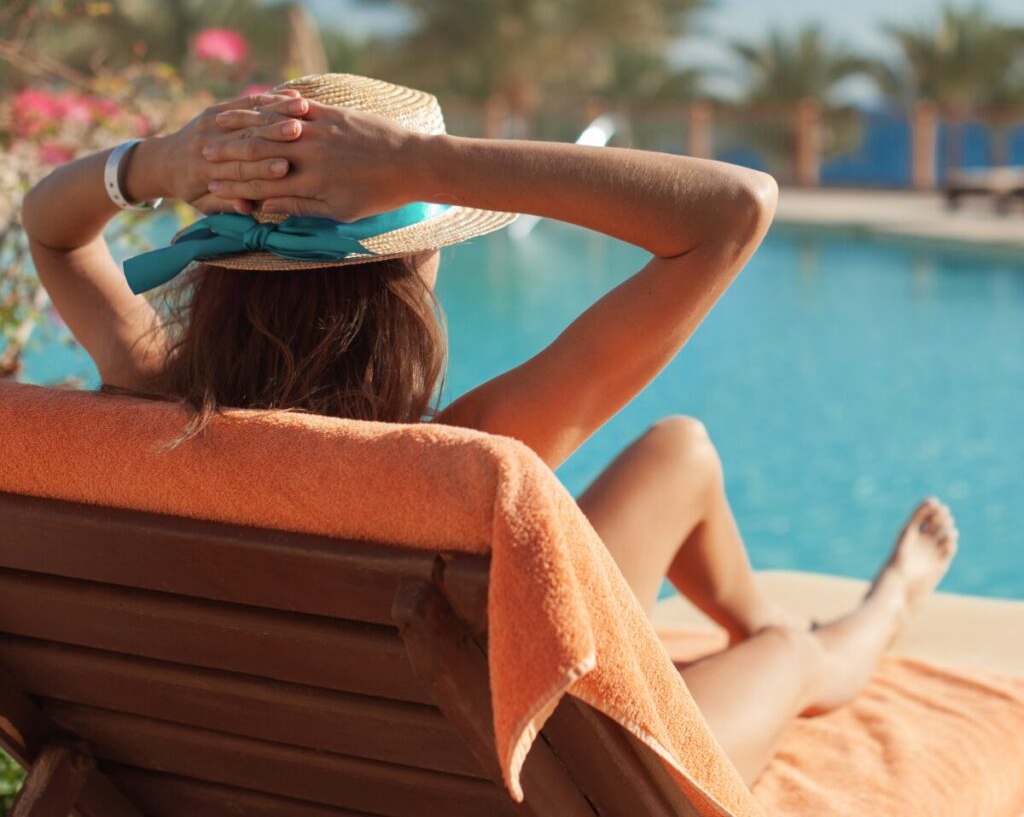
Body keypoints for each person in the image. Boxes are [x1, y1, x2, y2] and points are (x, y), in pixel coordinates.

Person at [22, 73, 957, 786]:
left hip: (311, 758)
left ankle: (759, 620)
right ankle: (872, 614)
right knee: (786, 659)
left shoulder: (148, 394)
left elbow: (52, 230)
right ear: (415, 266)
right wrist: (428, 166)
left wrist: (156, 164)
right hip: (518, 780)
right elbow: (734, 208)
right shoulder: (466, 458)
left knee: (681, 452)